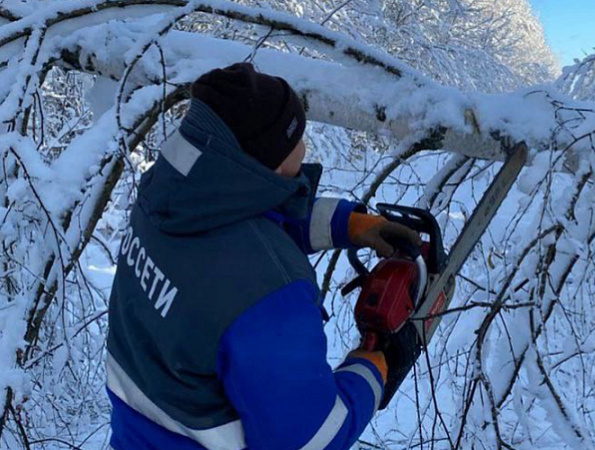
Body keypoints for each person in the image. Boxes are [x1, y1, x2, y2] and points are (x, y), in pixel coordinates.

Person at [105, 62, 421, 450]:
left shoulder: (164, 199)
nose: (305, 149)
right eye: (296, 139)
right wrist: (373, 369)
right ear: (266, 161)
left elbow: (235, 230)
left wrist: (349, 224)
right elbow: (312, 438)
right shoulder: (269, 296)